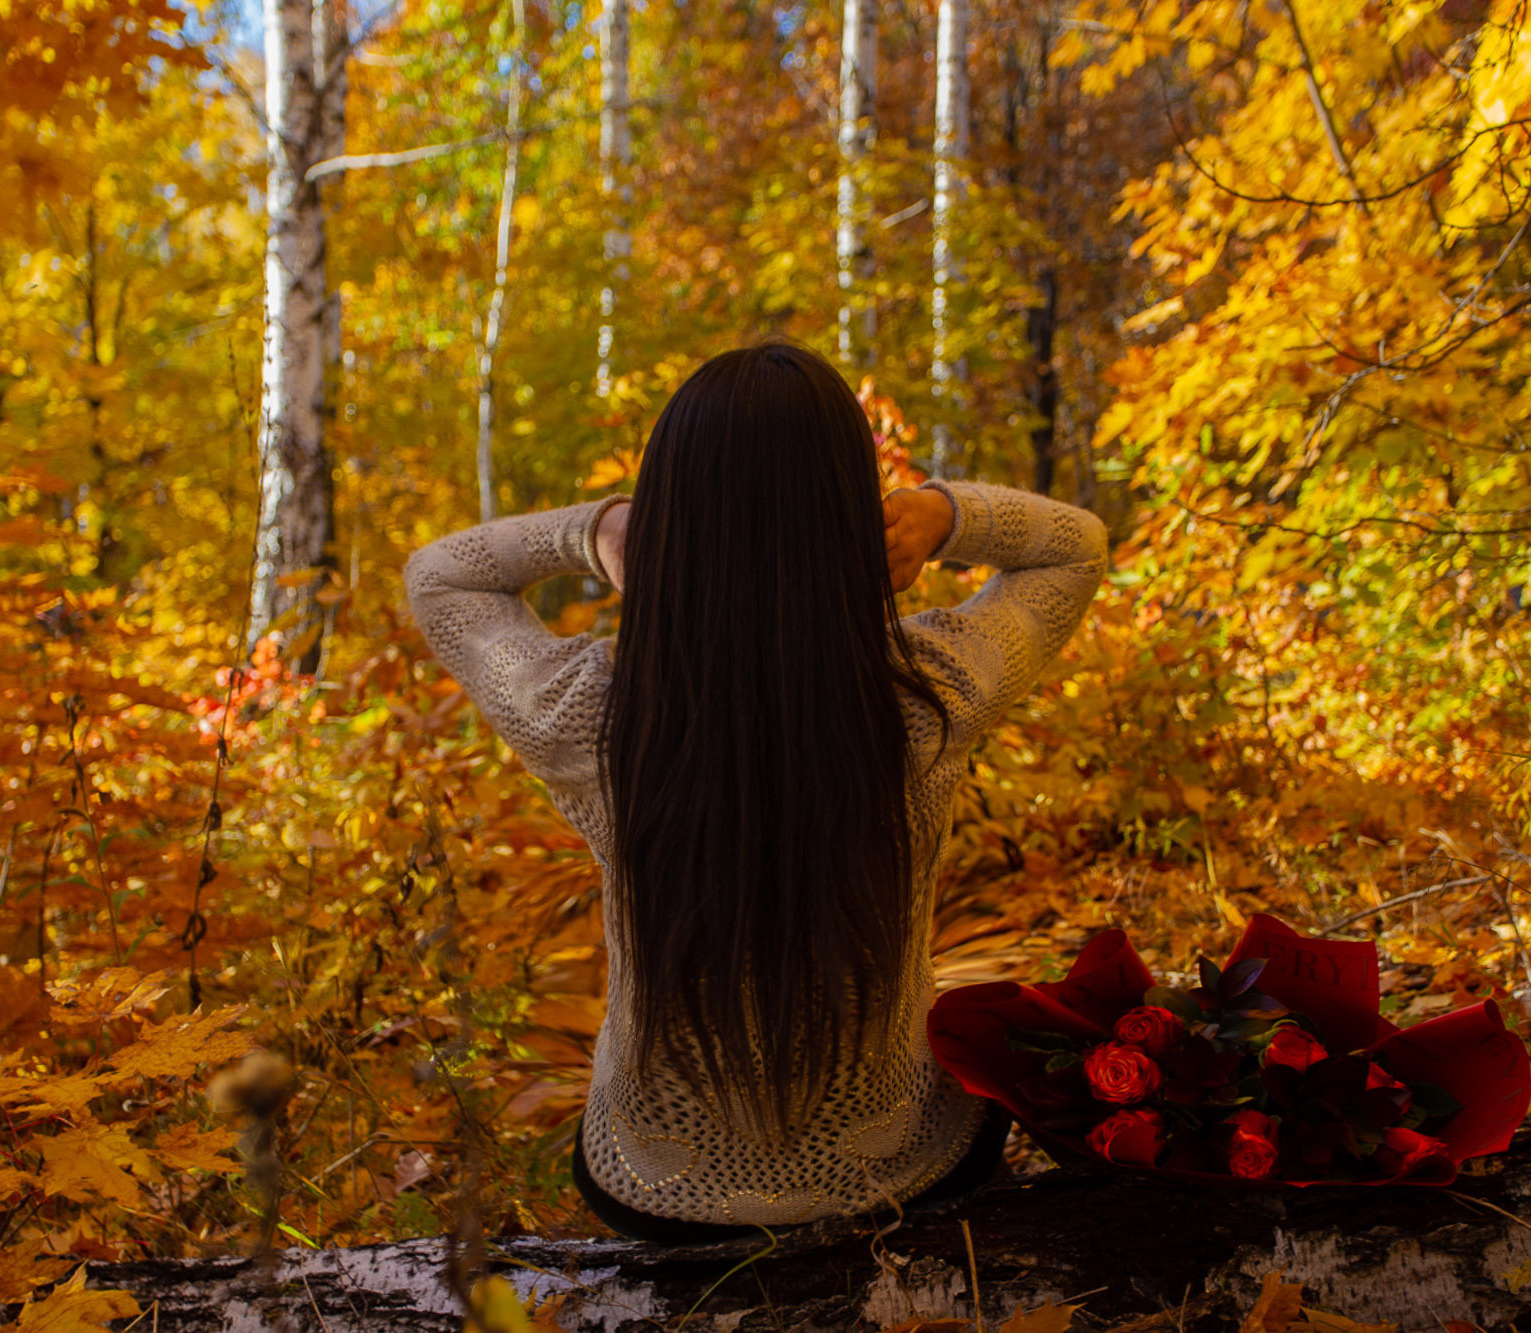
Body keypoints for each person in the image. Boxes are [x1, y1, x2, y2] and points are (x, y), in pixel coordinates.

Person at [402, 340, 1109, 1242]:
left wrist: (600, 530)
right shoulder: (930, 694)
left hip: (657, 1186)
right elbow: (1076, 547)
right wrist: (941, 513)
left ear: (671, 521)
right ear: (850, 516)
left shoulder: (591, 716)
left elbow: (440, 573)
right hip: (898, 1167)